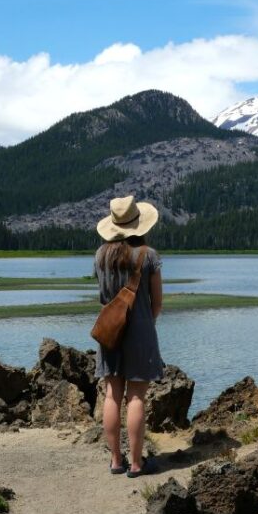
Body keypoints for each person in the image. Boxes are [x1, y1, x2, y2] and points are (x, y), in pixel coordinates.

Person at [94, 195, 164, 477]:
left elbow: (102, 297)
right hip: (141, 334)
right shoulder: (149, 255)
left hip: (109, 332)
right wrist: (146, 323)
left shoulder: (100, 256)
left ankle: (116, 461)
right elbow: (157, 302)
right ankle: (136, 464)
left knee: (112, 395)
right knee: (136, 398)